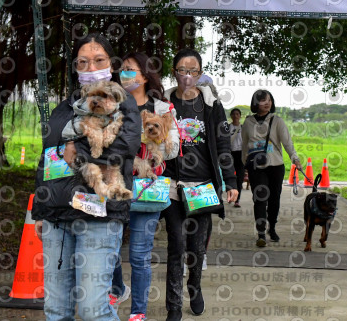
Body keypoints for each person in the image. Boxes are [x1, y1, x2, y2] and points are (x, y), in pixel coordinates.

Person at [32, 32, 141, 321]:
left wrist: (77, 147)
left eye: (99, 60)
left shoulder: (123, 101)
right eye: (83, 62)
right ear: (75, 68)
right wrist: (39, 211)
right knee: (57, 309)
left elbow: (124, 147)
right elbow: (46, 160)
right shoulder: (63, 107)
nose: (91, 68)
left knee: (93, 309)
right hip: (56, 216)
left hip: (99, 216)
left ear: (111, 64)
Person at [161, 48, 238, 321]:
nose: (188, 77)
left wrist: (230, 180)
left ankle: (194, 287)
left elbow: (223, 144)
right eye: (182, 70)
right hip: (172, 183)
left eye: (193, 71)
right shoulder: (164, 101)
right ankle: (173, 306)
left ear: (200, 73)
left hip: (203, 185)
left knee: (196, 247)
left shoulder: (212, 105)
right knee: (176, 245)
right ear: (175, 72)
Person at [110, 52, 180, 321]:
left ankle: (138, 312)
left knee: (139, 255)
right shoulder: (112, 104)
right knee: (110, 251)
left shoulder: (163, 109)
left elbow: (173, 150)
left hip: (147, 189)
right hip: (116, 187)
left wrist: (160, 139)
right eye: (122, 69)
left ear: (144, 75)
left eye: (130, 69)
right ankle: (117, 288)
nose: (124, 74)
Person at [241, 89, 301, 248]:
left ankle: (272, 228)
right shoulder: (248, 122)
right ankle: (261, 232)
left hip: (275, 166)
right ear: (255, 103)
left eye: (269, 100)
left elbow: (287, 142)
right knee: (259, 198)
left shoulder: (277, 121)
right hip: (256, 166)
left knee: (274, 199)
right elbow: (244, 145)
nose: (267, 103)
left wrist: (295, 158)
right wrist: (244, 164)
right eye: (262, 100)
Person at [229, 108, 244, 208]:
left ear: (240, 116)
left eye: (237, 114)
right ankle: (230, 195)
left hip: (241, 154)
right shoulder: (228, 127)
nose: (235, 116)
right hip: (230, 154)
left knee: (240, 177)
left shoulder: (243, 128)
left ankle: (237, 200)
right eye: (234, 114)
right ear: (231, 116)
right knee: (230, 176)